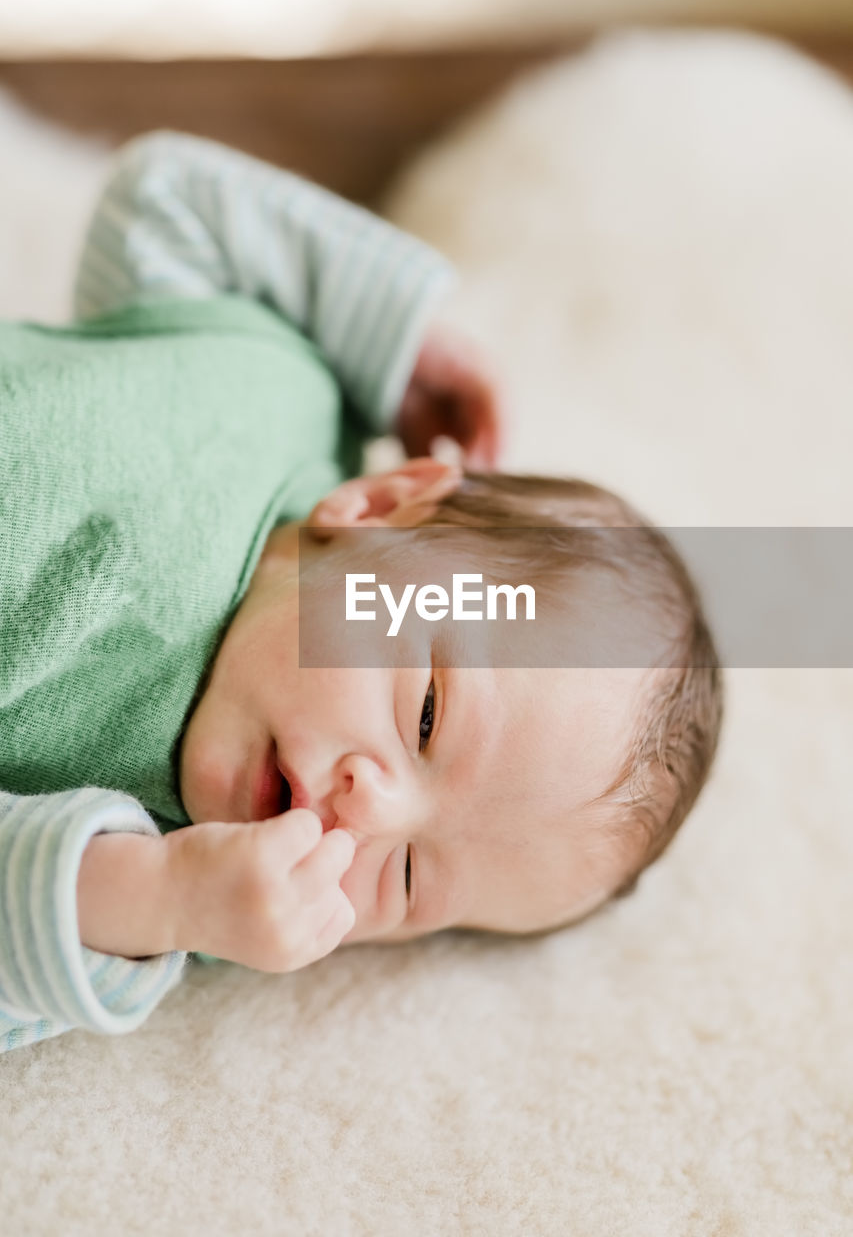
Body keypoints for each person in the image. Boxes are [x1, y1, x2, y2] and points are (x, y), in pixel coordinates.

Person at [0, 132, 722, 1052]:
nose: (369, 817)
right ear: (380, 504)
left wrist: (152, 901)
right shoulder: (280, 390)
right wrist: (392, 340)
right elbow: (164, 197)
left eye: (410, 879)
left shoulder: (157, 854)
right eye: (424, 716)